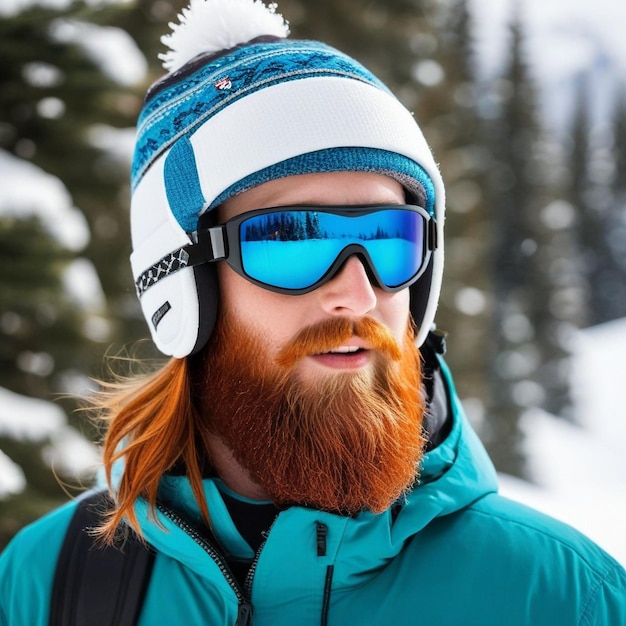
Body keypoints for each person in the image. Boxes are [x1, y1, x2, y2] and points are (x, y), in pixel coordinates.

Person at [1, 0, 625, 624]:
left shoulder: (562, 597)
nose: (356, 294)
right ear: (180, 279)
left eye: (389, 238)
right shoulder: (46, 583)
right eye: (291, 239)